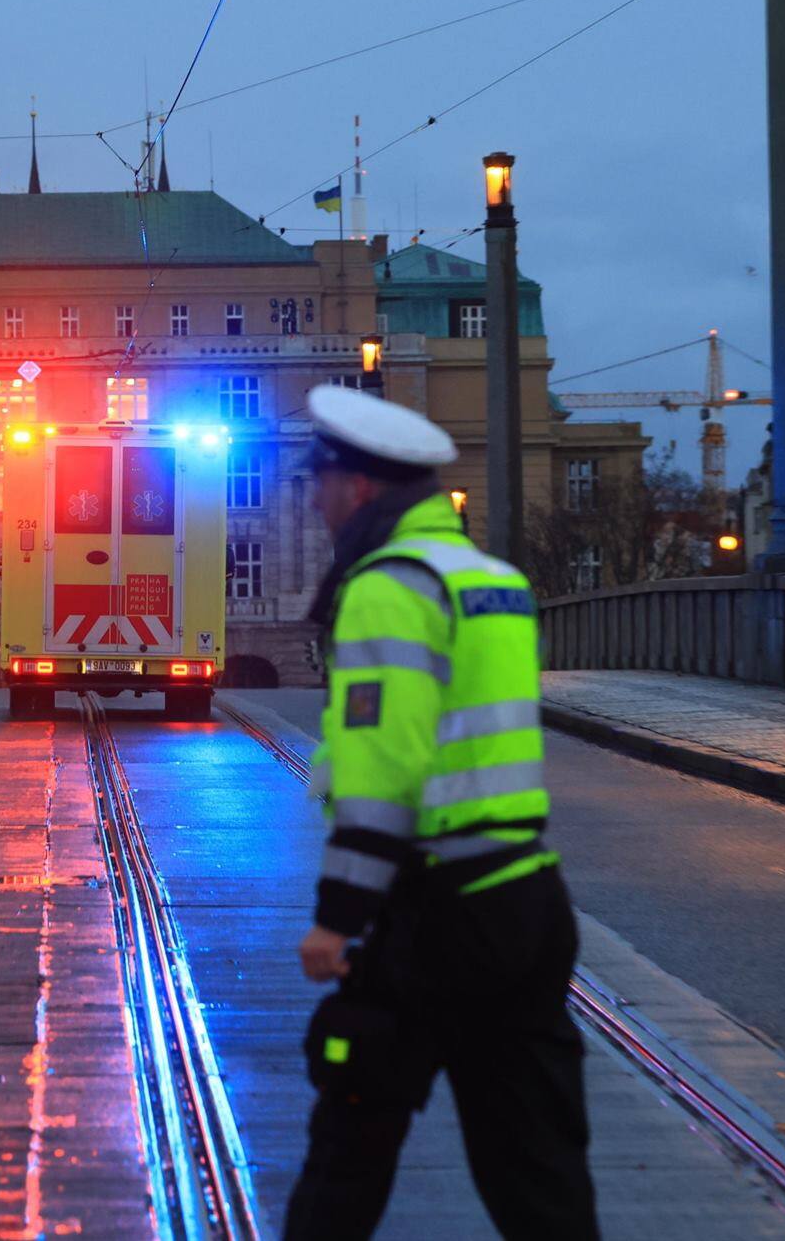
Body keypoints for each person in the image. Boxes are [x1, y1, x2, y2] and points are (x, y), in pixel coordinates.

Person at [284, 385, 598, 1240]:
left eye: (319, 482)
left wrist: (337, 919)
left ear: (359, 487)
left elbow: (386, 766)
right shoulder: (492, 579)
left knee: (350, 1138)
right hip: (529, 896)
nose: (312, 501)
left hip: (438, 910)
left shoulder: (389, 588)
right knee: (537, 1161)